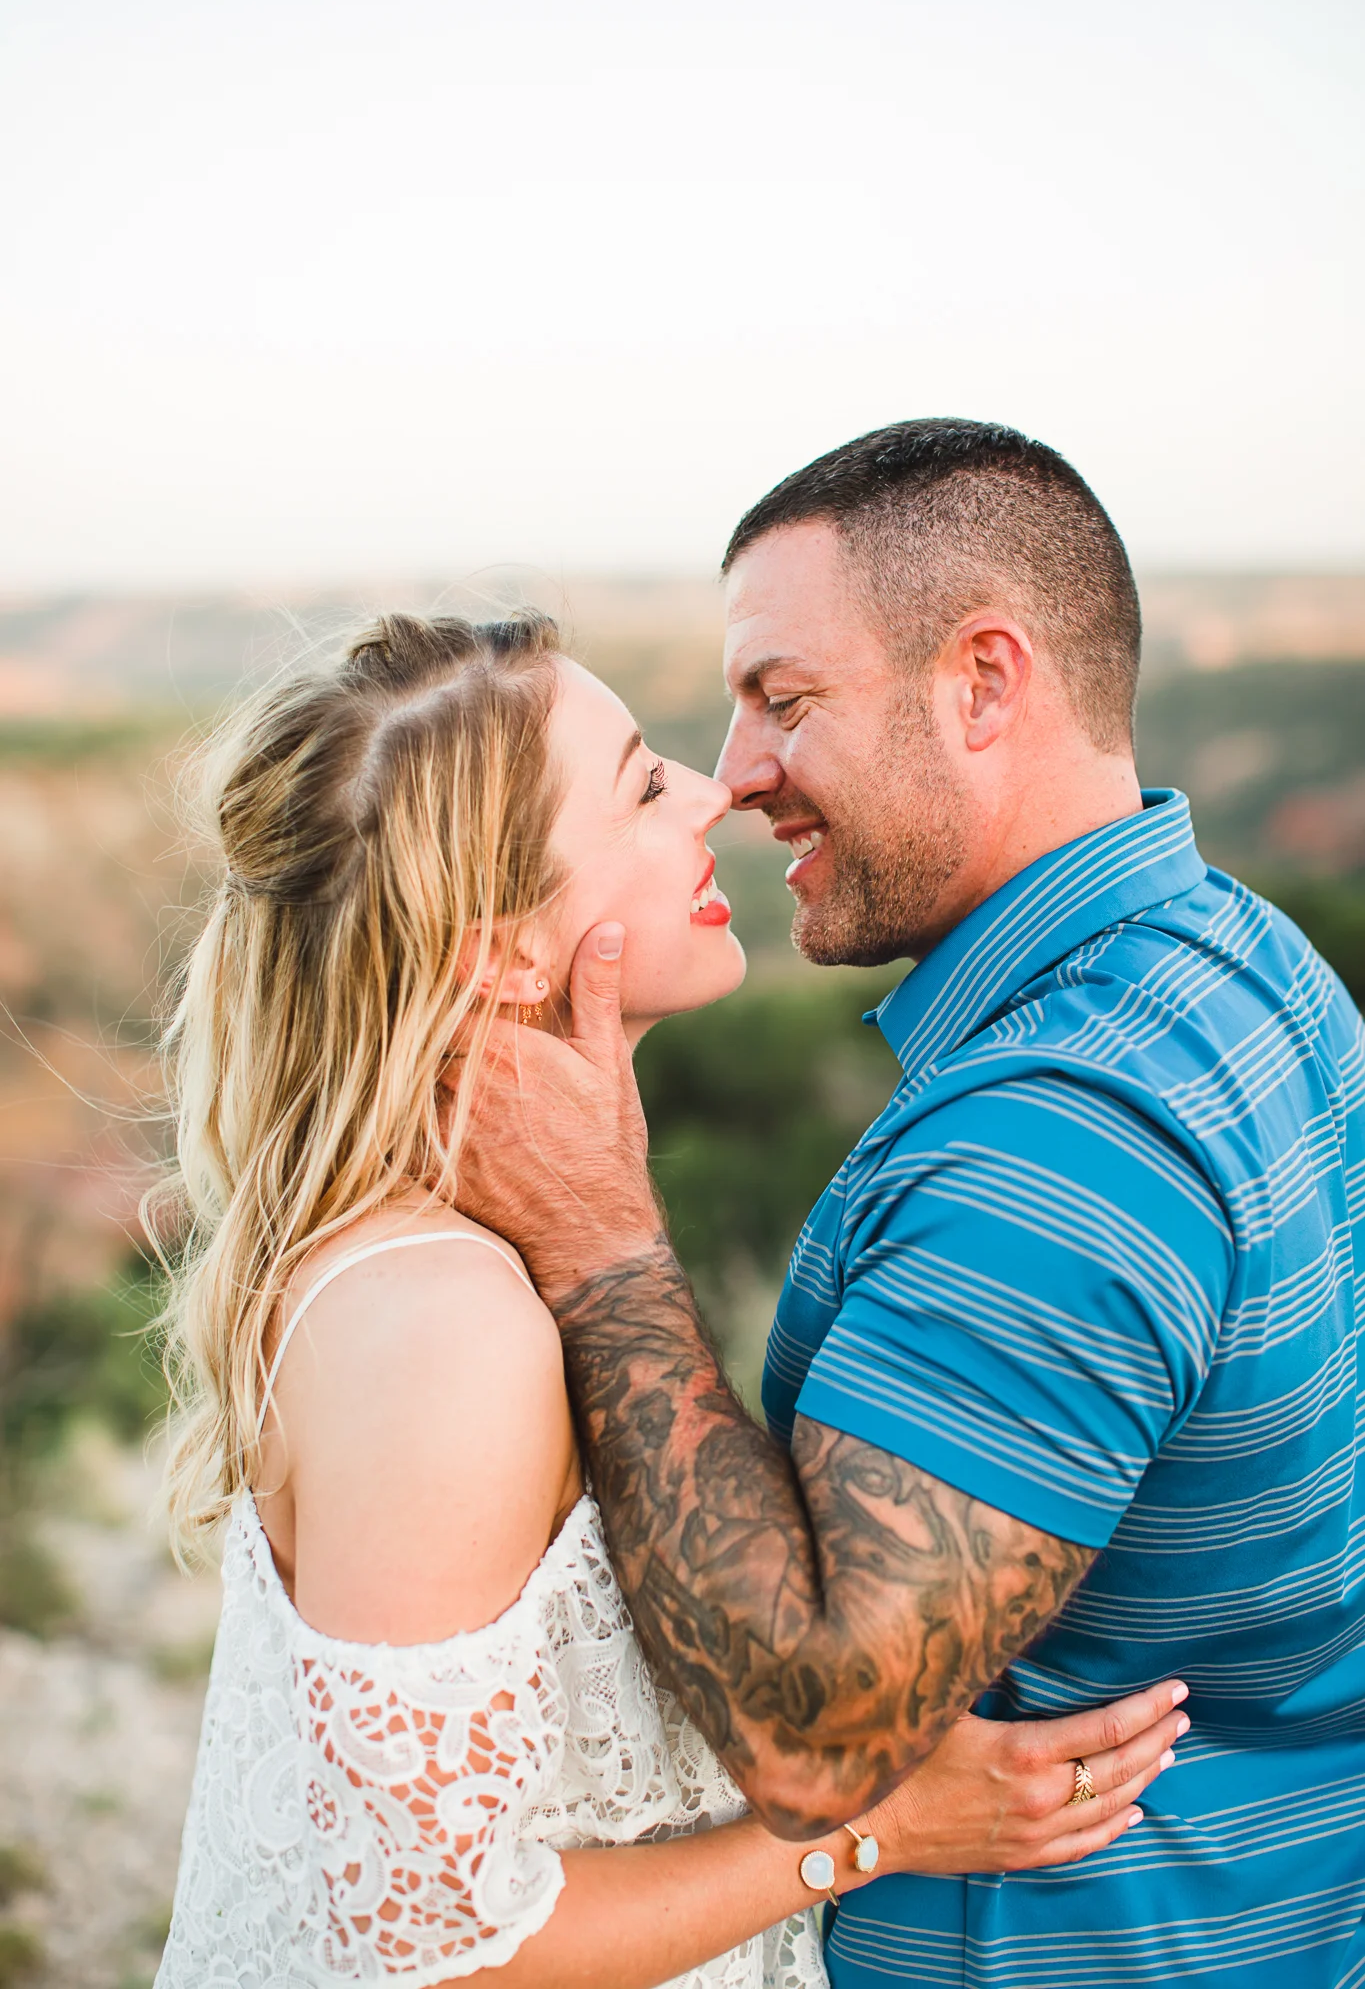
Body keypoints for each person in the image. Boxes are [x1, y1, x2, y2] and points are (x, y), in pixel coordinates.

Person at [455, 421, 1365, 1988]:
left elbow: (817, 1743)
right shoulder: (1250, 964)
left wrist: (603, 1247)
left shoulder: (1059, 1146)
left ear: (985, 682)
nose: (737, 774)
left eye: (784, 700)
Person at [150, 610, 1178, 1989]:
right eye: (642, 786)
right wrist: (880, 1828)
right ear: (505, 953)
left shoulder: (482, 1258)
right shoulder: (445, 1326)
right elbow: (437, 1954)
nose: (711, 793)